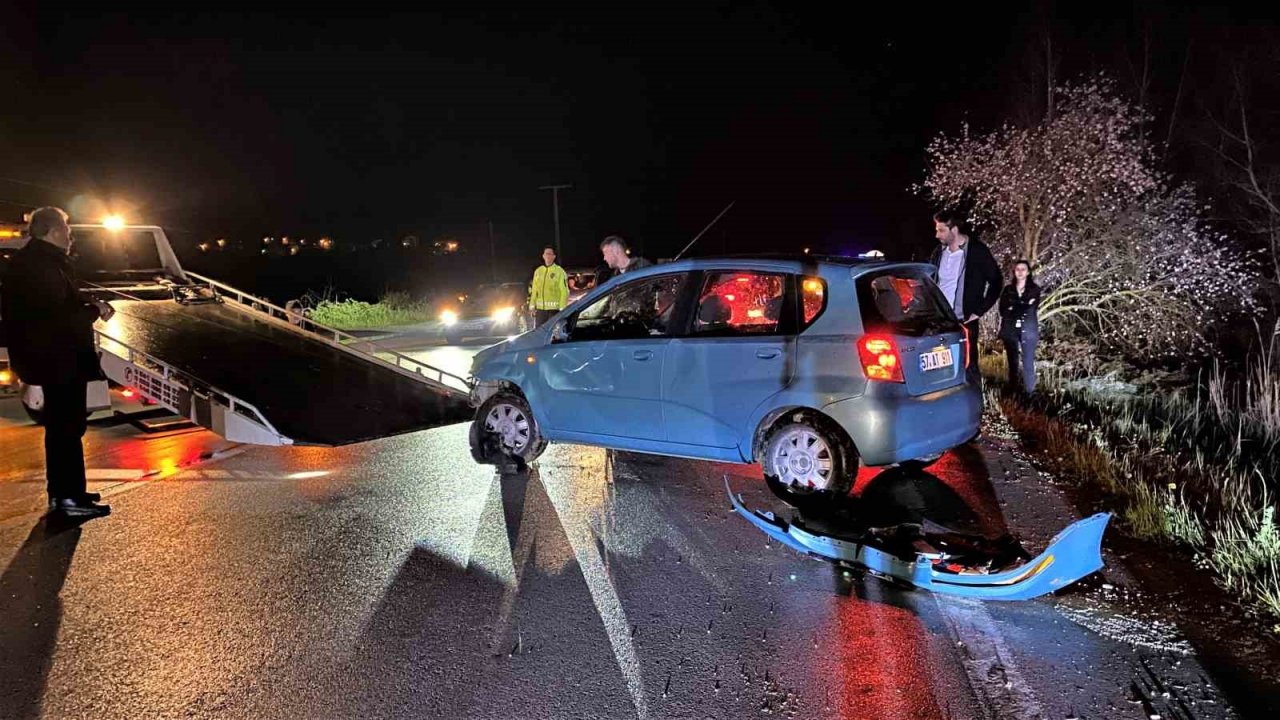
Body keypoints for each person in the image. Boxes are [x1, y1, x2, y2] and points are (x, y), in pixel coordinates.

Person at [0, 207, 114, 518]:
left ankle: (69, 492)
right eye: (66, 228)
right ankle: (67, 499)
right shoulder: (42, 266)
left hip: (52, 358)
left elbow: (52, 307)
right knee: (65, 428)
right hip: (57, 359)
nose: (70, 234)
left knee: (65, 428)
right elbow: (56, 317)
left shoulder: (34, 262)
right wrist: (95, 312)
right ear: (52, 231)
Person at [929, 210, 1002, 371]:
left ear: (954, 230)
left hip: (964, 321)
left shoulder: (977, 251)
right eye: (937, 230)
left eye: (941, 230)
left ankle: (972, 394)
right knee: (940, 367)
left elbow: (997, 282)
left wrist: (979, 311)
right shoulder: (938, 253)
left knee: (968, 367)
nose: (937, 235)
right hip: (939, 321)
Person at [998, 259, 1041, 394]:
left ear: (1028, 272)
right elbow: (1003, 310)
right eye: (1018, 269)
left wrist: (1014, 307)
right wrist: (1022, 304)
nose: (1020, 272)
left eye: (1023, 269)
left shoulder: (1034, 289)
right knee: (1013, 363)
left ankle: (1030, 394)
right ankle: (1014, 392)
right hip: (1010, 329)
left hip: (1028, 329)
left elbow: (1031, 307)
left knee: (1028, 362)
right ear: (1014, 272)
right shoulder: (1008, 290)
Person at [528, 245, 569, 328]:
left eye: (550, 254)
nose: (548, 256)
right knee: (539, 333)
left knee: (553, 334)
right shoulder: (538, 271)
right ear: (543, 256)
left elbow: (564, 291)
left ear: (554, 256)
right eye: (546, 254)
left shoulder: (559, 271)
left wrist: (562, 309)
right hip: (540, 310)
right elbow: (534, 290)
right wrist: (532, 306)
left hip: (554, 311)